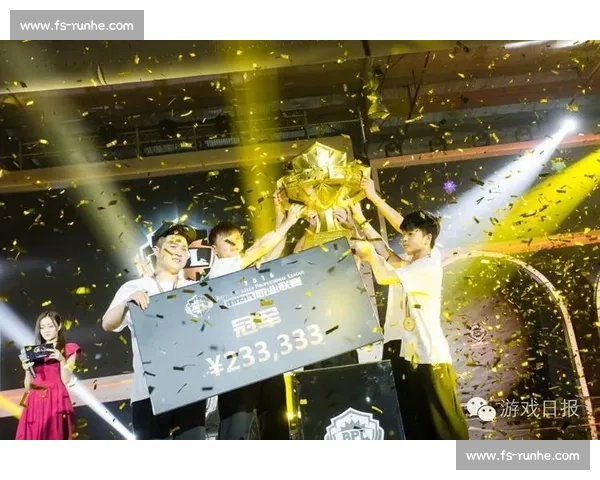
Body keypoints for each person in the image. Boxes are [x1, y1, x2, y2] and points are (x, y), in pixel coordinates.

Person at [353, 182, 469, 440]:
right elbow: (386, 252)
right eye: (403, 234)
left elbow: (383, 275)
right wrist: (359, 219)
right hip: (403, 349)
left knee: (442, 426)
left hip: (428, 356)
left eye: (410, 234)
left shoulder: (427, 264)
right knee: (412, 422)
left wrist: (369, 254)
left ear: (427, 238)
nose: (403, 238)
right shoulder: (410, 263)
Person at [208, 202, 305, 440]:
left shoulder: (246, 267)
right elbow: (262, 246)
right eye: (228, 241)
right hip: (236, 360)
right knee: (236, 429)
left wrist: (280, 214)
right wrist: (289, 221)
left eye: (238, 239)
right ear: (214, 249)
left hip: (264, 354)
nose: (235, 245)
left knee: (276, 424)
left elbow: (272, 251)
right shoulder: (221, 269)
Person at [102, 221, 206, 440]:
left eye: (184, 248)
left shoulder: (194, 289)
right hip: (149, 392)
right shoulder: (135, 287)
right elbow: (108, 324)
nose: (179, 252)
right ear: (156, 251)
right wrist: (127, 303)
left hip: (190, 389)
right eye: (173, 246)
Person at [16, 310, 80, 440]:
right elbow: (28, 387)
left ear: (59, 326)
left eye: (50, 326)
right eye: (42, 327)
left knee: (54, 434)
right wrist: (27, 370)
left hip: (56, 398)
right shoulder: (34, 352)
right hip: (35, 400)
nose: (46, 330)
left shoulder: (69, 348)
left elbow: (66, 380)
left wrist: (62, 360)